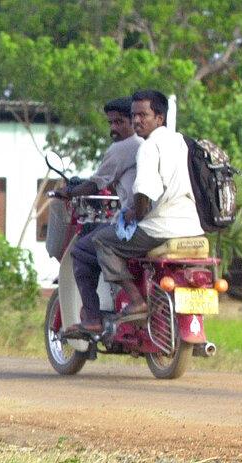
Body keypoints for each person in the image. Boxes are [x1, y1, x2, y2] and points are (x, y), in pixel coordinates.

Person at [85, 89, 204, 324]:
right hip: (193, 227)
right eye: (134, 115)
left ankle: (136, 300)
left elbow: (143, 192)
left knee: (102, 240)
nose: (137, 120)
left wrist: (133, 214)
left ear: (159, 118)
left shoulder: (148, 147)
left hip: (160, 229)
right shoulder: (182, 142)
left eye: (143, 115)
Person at [58, 97, 142, 335]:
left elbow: (96, 183)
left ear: (134, 121)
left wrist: (70, 192)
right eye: (111, 122)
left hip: (136, 223)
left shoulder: (124, 147)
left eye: (120, 122)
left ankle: (92, 317)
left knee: (82, 251)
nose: (114, 128)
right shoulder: (150, 145)